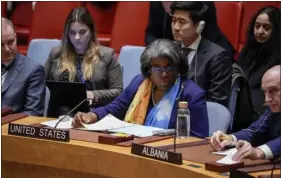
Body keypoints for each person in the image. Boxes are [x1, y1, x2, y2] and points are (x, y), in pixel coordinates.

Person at [72, 39, 209, 138]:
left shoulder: (192, 94)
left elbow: (198, 138)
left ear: (179, 68)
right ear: (148, 69)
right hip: (135, 148)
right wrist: (91, 115)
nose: (164, 73)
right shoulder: (140, 83)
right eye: (157, 67)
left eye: (169, 67)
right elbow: (116, 107)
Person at [45, 7, 123, 115]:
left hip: (91, 115)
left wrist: (92, 94)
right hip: (58, 115)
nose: (77, 37)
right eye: (72, 33)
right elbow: (41, 84)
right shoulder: (55, 54)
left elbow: (118, 91)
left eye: (82, 32)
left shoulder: (107, 56)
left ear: (91, 32)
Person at [211, 65, 280, 161]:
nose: (267, 99)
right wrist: (230, 138)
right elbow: (256, 131)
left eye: (273, 90)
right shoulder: (272, 110)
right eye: (265, 92)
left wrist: (259, 152)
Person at [170, 1, 232, 107]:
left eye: (182, 22)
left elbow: (216, 104)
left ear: (199, 26)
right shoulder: (169, 50)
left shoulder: (218, 57)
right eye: (174, 20)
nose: (176, 27)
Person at [145, 1, 236, 59]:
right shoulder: (156, 3)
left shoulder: (204, 4)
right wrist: (160, 51)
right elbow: (151, 34)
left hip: (206, 50)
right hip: (172, 53)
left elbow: (208, 38)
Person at [237, 6, 280, 114]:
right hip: (241, 104)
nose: (260, 31)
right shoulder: (249, 49)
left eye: (266, 27)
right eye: (257, 26)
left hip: (264, 110)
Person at [1, 17, 45, 116]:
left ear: (16, 37)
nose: (7, 49)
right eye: (1, 45)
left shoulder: (33, 70)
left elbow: (33, 113)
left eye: (10, 42)